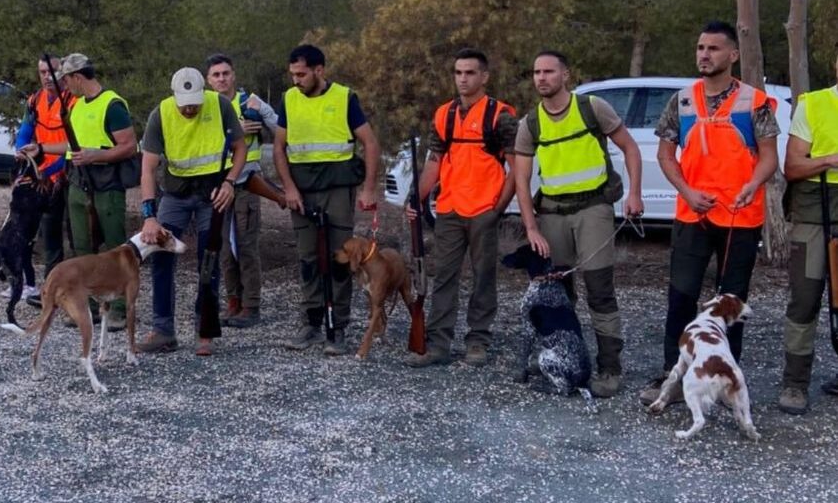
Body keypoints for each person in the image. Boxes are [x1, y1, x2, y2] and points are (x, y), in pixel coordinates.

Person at [636, 21, 780, 407]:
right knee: (681, 299)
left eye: (713, 49)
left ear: (732, 55)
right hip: (692, 216)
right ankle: (674, 374)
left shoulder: (755, 101)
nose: (704, 54)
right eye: (700, 48)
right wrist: (685, 190)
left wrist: (753, 184)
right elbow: (667, 155)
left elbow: (769, 157)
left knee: (730, 303)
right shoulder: (681, 100)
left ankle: (725, 378)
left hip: (740, 217)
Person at [513, 50, 644, 398]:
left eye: (549, 72)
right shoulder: (530, 124)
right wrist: (531, 228)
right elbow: (521, 182)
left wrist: (634, 194)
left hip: (594, 209)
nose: (542, 78)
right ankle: (570, 362)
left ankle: (610, 368)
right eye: (537, 72)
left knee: (600, 291)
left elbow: (630, 148)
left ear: (565, 75)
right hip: (552, 214)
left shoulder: (592, 108)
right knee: (559, 295)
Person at [405, 48, 518, 368]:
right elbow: (434, 163)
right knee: (443, 278)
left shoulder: (500, 116)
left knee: (483, 277)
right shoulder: (444, 114)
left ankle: (478, 341)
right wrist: (415, 198)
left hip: (484, 209)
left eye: (470, 73)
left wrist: (498, 207)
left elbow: (518, 167)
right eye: (458, 73)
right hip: (450, 209)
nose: (463, 79)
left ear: (484, 77)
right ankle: (438, 344)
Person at [274, 44, 381, 356]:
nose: (296, 80)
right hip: (302, 190)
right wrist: (289, 189)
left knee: (340, 259)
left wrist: (369, 189)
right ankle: (311, 322)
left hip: (337, 188)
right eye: (293, 74)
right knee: (308, 259)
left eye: (302, 74)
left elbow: (370, 143)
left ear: (319, 70)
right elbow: (279, 148)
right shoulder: (288, 99)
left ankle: (339, 327)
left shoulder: (344, 97)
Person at [138, 67, 246, 355]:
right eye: (185, 102)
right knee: (160, 255)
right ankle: (163, 330)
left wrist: (230, 182)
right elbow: (148, 169)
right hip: (174, 194)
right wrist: (149, 215)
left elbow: (240, 147)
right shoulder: (159, 114)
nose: (190, 108)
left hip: (212, 193)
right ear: (174, 95)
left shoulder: (220, 105)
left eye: (195, 102)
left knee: (208, 259)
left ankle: (205, 330)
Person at [60, 53, 139, 331]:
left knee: (116, 248)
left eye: (66, 79)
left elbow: (129, 146)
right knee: (82, 247)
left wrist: (95, 157)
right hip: (80, 184)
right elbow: (74, 146)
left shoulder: (112, 105)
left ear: (77, 77)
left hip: (106, 186)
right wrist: (41, 148)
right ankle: (87, 307)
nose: (65, 85)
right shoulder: (77, 106)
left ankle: (120, 308)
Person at [779, 57, 838, 414]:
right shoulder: (814, 103)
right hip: (816, 214)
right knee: (804, 300)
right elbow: (793, 167)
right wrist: (830, 159)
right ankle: (795, 383)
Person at [204, 53, 279, 328]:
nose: (222, 79)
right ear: (208, 80)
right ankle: (233, 301)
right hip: (217, 184)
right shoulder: (206, 106)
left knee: (246, 246)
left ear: (233, 74)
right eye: (216, 75)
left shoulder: (250, 101)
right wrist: (234, 131)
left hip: (247, 183)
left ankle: (251, 306)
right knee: (223, 247)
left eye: (225, 73)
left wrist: (258, 121)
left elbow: (280, 128)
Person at [14, 53, 73, 304]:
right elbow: (25, 131)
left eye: (52, 72)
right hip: (42, 176)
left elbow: (73, 145)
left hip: (66, 174)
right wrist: (20, 152)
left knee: (74, 234)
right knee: (49, 234)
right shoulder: (35, 100)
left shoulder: (73, 101)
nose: (48, 77)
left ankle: (75, 288)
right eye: (43, 72)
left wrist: (49, 173)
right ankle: (51, 289)